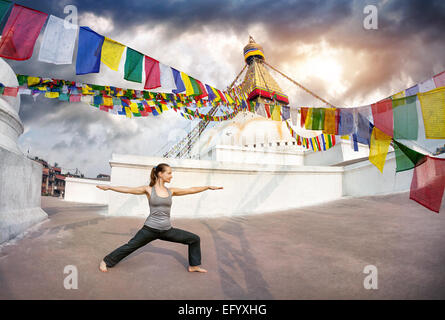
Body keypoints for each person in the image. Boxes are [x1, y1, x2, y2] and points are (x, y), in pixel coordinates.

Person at [96, 163, 223, 273]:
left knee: (194, 239)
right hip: (149, 229)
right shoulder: (148, 190)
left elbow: (190, 190)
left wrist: (207, 187)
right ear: (160, 174)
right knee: (130, 246)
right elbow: (129, 190)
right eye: (169, 173)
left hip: (167, 230)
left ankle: (194, 266)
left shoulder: (171, 191)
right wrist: (110, 187)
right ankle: (106, 261)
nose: (171, 176)